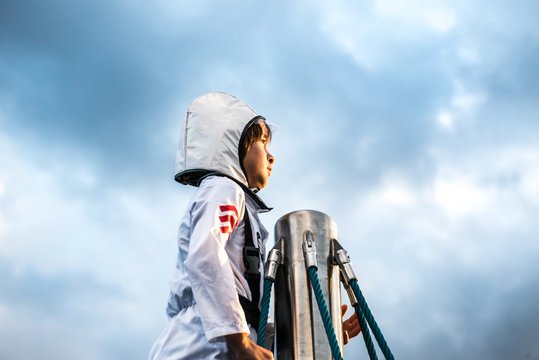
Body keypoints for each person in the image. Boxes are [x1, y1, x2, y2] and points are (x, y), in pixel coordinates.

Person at [149, 92, 359, 360]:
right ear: (232, 145)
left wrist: (320, 333)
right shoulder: (223, 189)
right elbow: (205, 257)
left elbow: (249, 315)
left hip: (220, 339)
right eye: (262, 142)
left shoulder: (242, 208)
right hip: (200, 343)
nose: (271, 157)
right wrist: (239, 342)